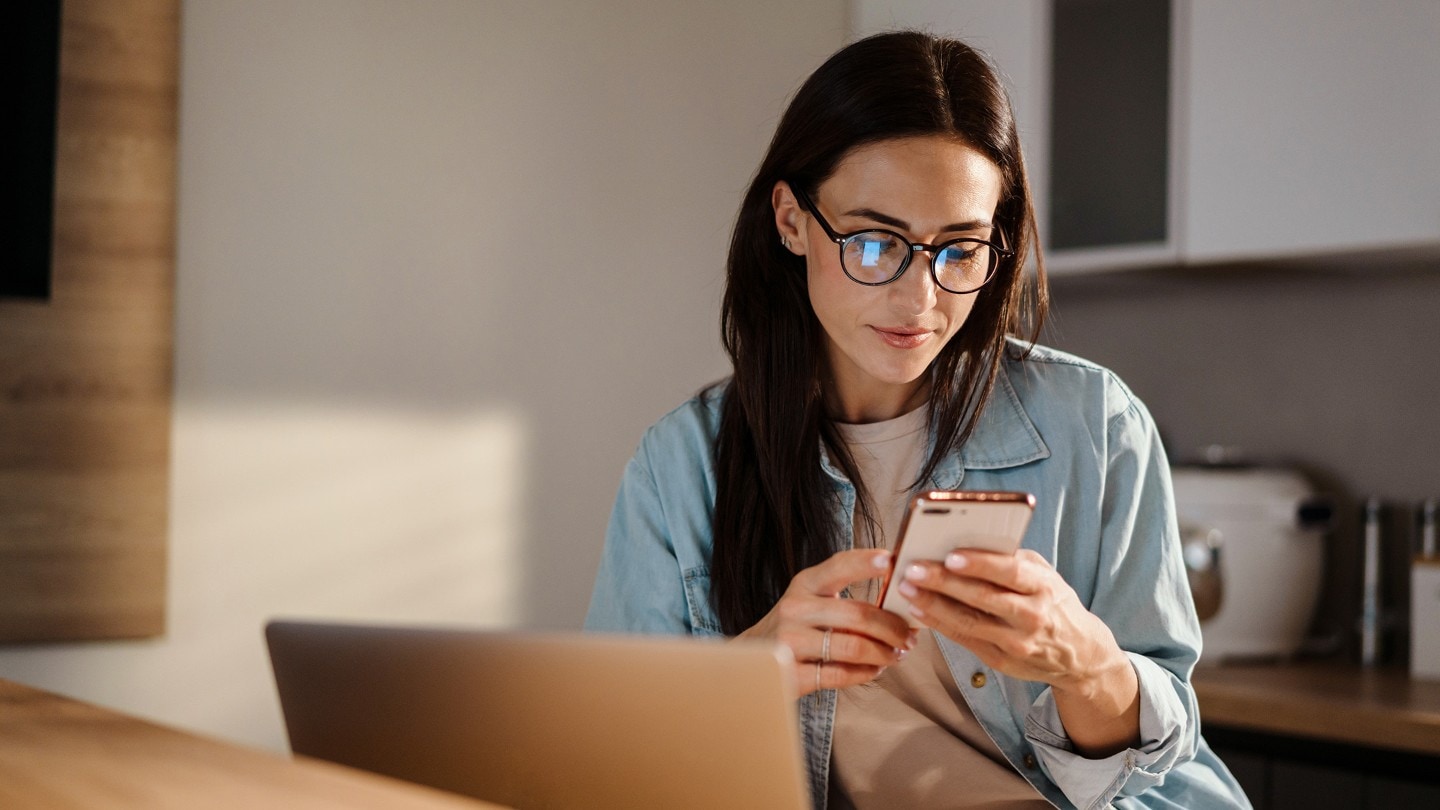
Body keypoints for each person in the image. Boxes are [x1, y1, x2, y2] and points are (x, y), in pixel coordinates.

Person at [585, 30, 1249, 810]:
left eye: (959, 250)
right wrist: (750, 668)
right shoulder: (683, 464)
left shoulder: (1097, 425)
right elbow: (609, 757)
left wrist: (1086, 665)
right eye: (874, 243)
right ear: (791, 220)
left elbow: (1162, 764)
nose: (920, 300)